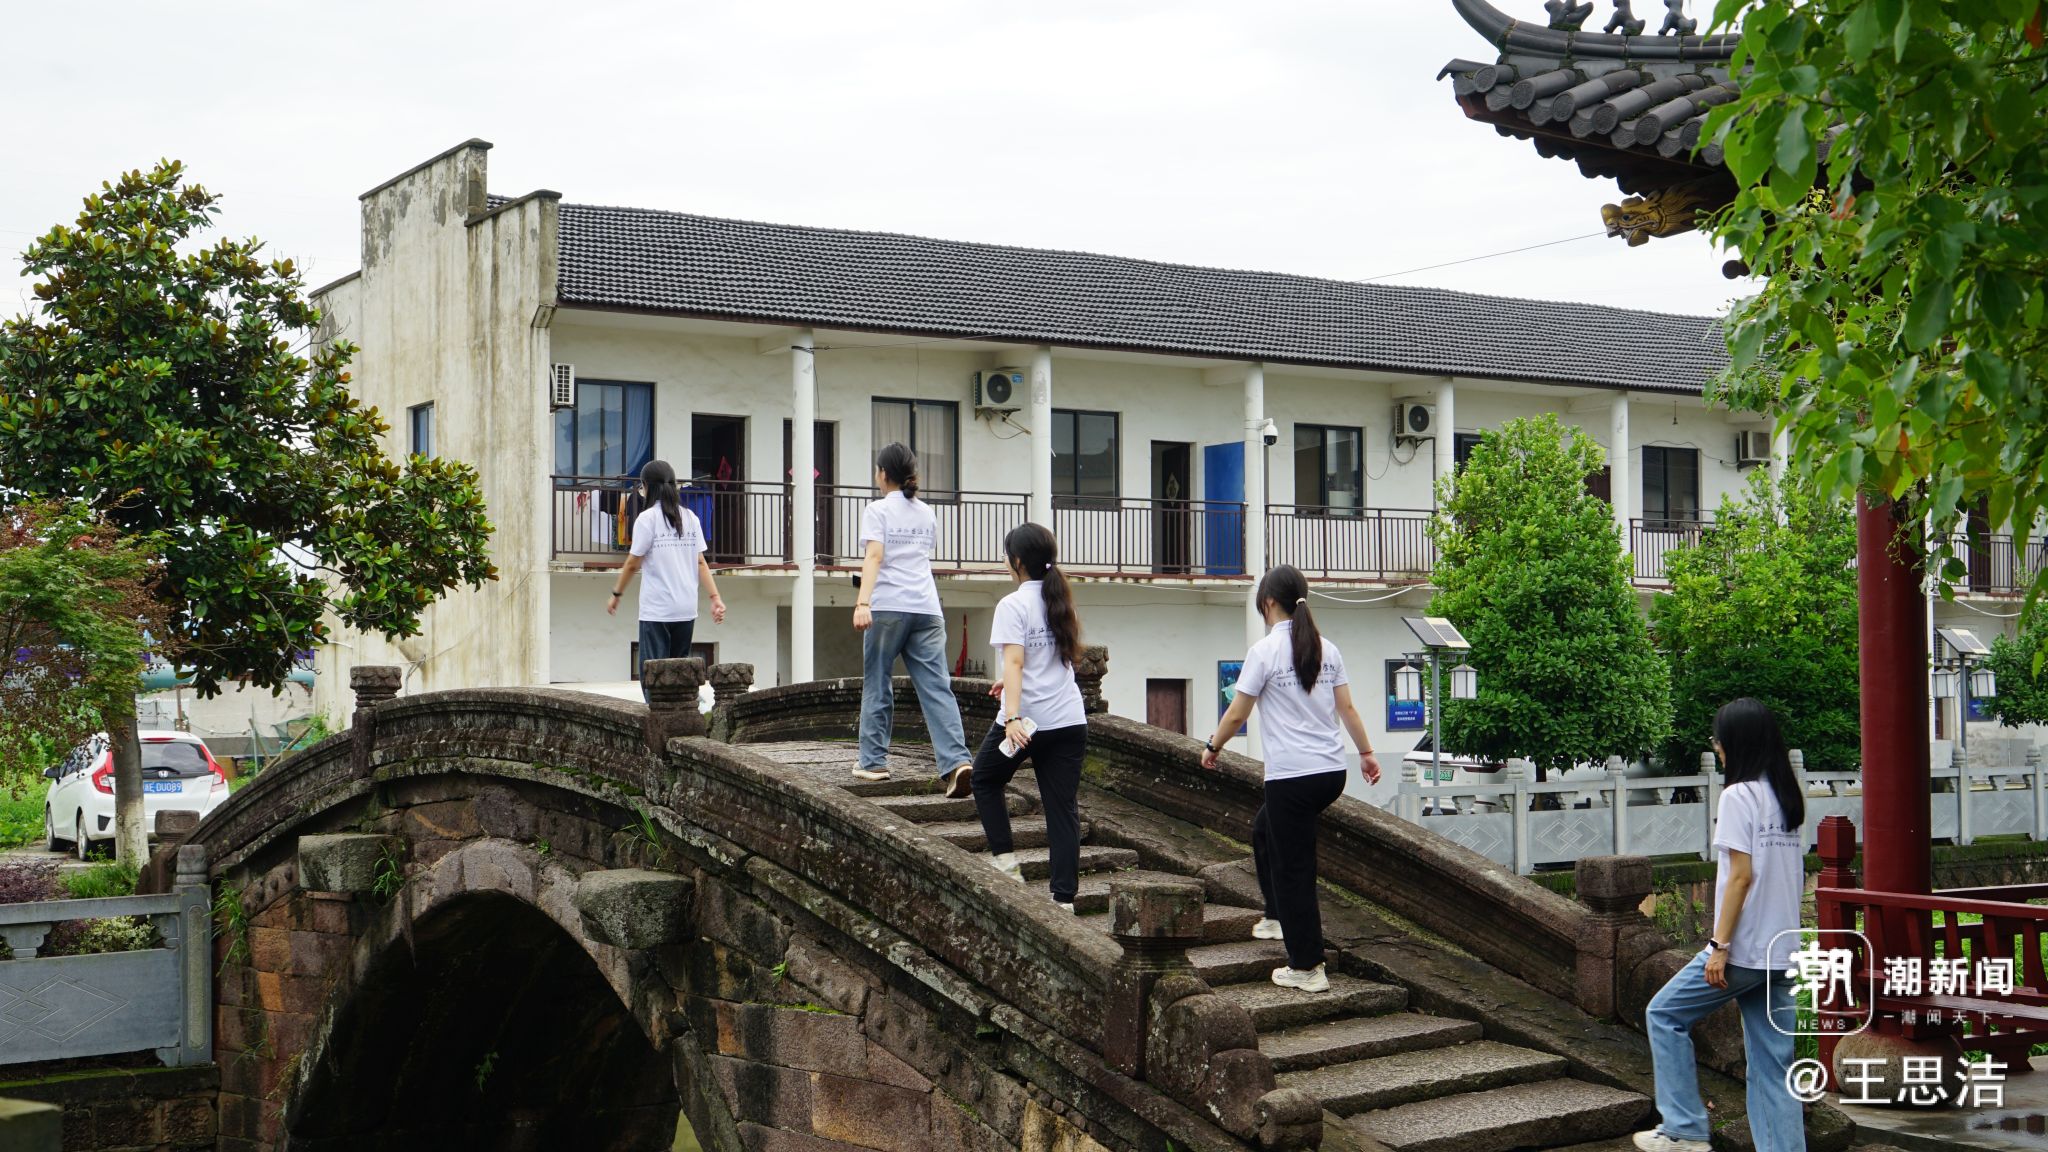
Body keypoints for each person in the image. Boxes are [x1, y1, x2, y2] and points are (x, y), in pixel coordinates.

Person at [1633, 698, 1806, 1152]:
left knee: (1664, 1015)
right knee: (1773, 1070)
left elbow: (1742, 877)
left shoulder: (1738, 796)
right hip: (1783, 951)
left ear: (1735, 743)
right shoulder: (1786, 798)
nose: (1716, 747)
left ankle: (1684, 1128)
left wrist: (1719, 945)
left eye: (1718, 739)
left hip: (1744, 950)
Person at [1201, 565, 1380, 992]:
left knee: (1294, 870)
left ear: (1267, 603)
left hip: (1292, 777)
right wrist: (1366, 754)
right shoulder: (1327, 649)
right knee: (1265, 830)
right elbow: (1347, 709)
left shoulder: (1263, 652)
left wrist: (1213, 746)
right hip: (1330, 773)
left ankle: (1307, 966)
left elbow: (1238, 713)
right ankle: (1276, 916)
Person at [972, 523, 1087, 912]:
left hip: (1027, 723)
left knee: (984, 778)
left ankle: (1006, 863)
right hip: (1068, 719)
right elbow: (1048, 660)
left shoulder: (1012, 604)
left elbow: (1017, 662)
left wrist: (1012, 717)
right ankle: (1064, 900)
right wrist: (1007, 684)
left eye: (1007, 556)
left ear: (1017, 561)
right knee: (1062, 808)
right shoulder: (1062, 600)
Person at [853, 443, 972, 792]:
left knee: (878, 681)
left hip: (889, 606)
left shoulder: (877, 510)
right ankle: (957, 762)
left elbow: (875, 557)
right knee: (937, 687)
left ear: (883, 474)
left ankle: (873, 762)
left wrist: (862, 602)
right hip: (927, 608)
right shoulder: (926, 512)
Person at [607, 459, 725, 701]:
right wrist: (715, 597)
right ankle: (681, 715)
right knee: (679, 675)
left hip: (657, 610)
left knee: (653, 674)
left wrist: (616, 594)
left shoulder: (647, 519)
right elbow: (700, 562)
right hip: (686, 608)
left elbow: (632, 563)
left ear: (646, 486)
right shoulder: (690, 517)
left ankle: (657, 717)